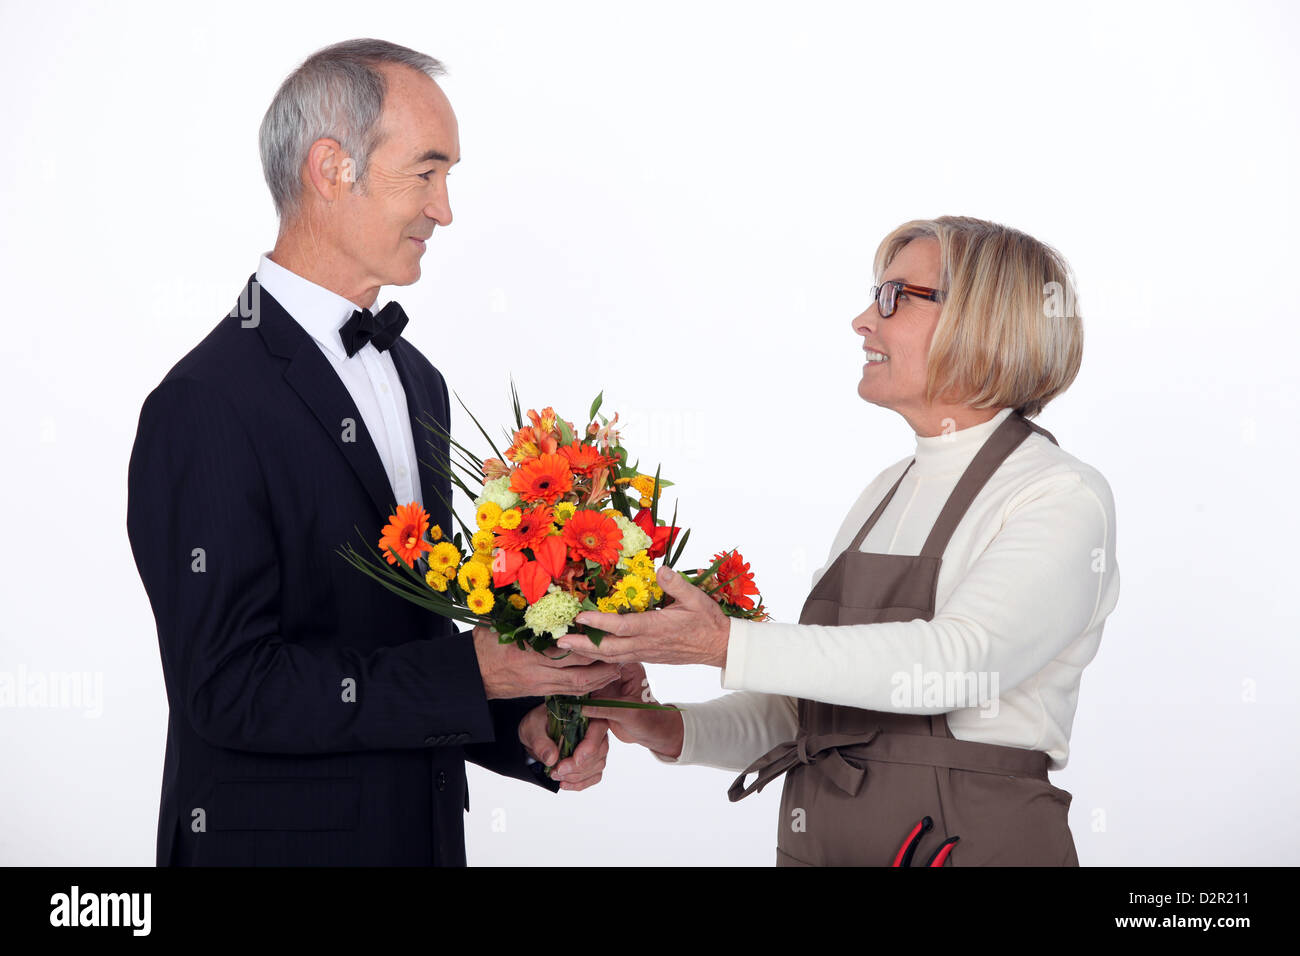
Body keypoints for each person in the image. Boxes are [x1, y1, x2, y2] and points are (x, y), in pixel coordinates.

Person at [125, 38, 618, 867]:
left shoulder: (416, 380)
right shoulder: (202, 403)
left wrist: (523, 725)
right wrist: (476, 675)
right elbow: (228, 689)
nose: (446, 210)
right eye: (427, 173)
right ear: (331, 168)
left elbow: (404, 645)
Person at [560, 216, 1121, 866]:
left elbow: (954, 663)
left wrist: (721, 644)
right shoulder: (888, 488)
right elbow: (815, 716)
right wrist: (670, 728)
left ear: (984, 321)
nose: (862, 319)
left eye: (893, 297)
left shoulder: (1058, 495)